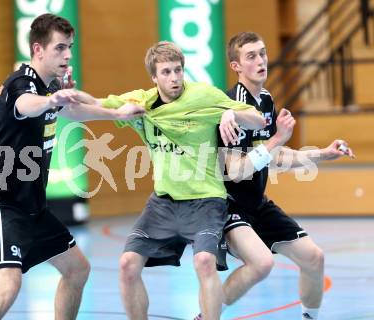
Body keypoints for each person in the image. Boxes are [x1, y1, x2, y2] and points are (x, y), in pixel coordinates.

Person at [0, 13, 145, 320]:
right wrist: (51, 100)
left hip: (33, 207)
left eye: (70, 48)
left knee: (77, 269)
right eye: (60, 48)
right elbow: (27, 104)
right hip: (1, 203)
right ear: (38, 50)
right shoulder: (21, 84)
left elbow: (76, 111)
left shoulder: (48, 86)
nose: (67, 55)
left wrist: (118, 114)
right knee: (7, 288)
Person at [193, 32, 354, 320]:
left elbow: (275, 156)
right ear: (236, 66)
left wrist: (323, 153)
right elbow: (238, 170)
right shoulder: (232, 106)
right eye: (251, 56)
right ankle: (206, 316)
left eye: (263, 53)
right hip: (226, 205)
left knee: (314, 258)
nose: (260, 60)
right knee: (261, 264)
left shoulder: (265, 101)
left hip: (257, 203)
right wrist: (277, 138)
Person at [100, 40, 266, 320]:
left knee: (204, 261)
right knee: (127, 264)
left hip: (206, 201)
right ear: (154, 77)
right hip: (163, 204)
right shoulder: (143, 102)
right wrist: (62, 95)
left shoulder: (203, 95)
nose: (174, 78)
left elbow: (257, 120)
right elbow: (92, 106)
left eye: (178, 70)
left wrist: (229, 112)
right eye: (166, 72)